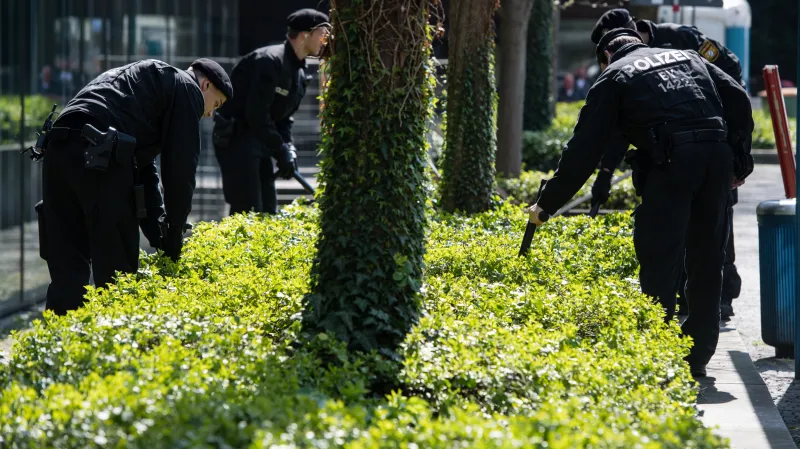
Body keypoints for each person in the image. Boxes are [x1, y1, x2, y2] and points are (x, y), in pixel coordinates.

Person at [525, 28, 754, 377]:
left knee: (660, 255)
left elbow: (583, 151)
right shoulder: (689, 56)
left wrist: (547, 204)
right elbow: (737, 96)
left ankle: (658, 351)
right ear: (639, 43)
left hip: (673, 163)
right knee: (708, 258)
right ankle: (697, 357)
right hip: (716, 158)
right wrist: (740, 159)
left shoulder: (614, 76)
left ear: (605, 57)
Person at [34, 58, 232, 316]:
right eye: (215, 105)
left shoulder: (141, 81)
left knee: (67, 271)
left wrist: (159, 231)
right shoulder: (187, 88)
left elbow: (143, 167)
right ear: (205, 85)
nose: (209, 114)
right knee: (117, 275)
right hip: (101, 157)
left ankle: (61, 349)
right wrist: (174, 231)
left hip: (58, 149)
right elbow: (181, 166)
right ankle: (114, 348)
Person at [589, 8, 745, 320]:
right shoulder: (630, 67)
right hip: (669, 152)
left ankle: (722, 296)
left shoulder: (682, 38)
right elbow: (622, 126)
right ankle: (685, 299)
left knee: (716, 220)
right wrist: (605, 171)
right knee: (675, 225)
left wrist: (737, 151)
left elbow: (732, 73)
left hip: (713, 140)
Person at [212, 8, 330, 216]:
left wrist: (288, 149)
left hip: (260, 141)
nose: (326, 40)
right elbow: (256, 114)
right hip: (238, 140)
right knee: (247, 213)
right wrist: (280, 148)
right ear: (304, 35)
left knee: (268, 212)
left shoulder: (299, 71)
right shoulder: (269, 61)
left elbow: (284, 119)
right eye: (322, 34)